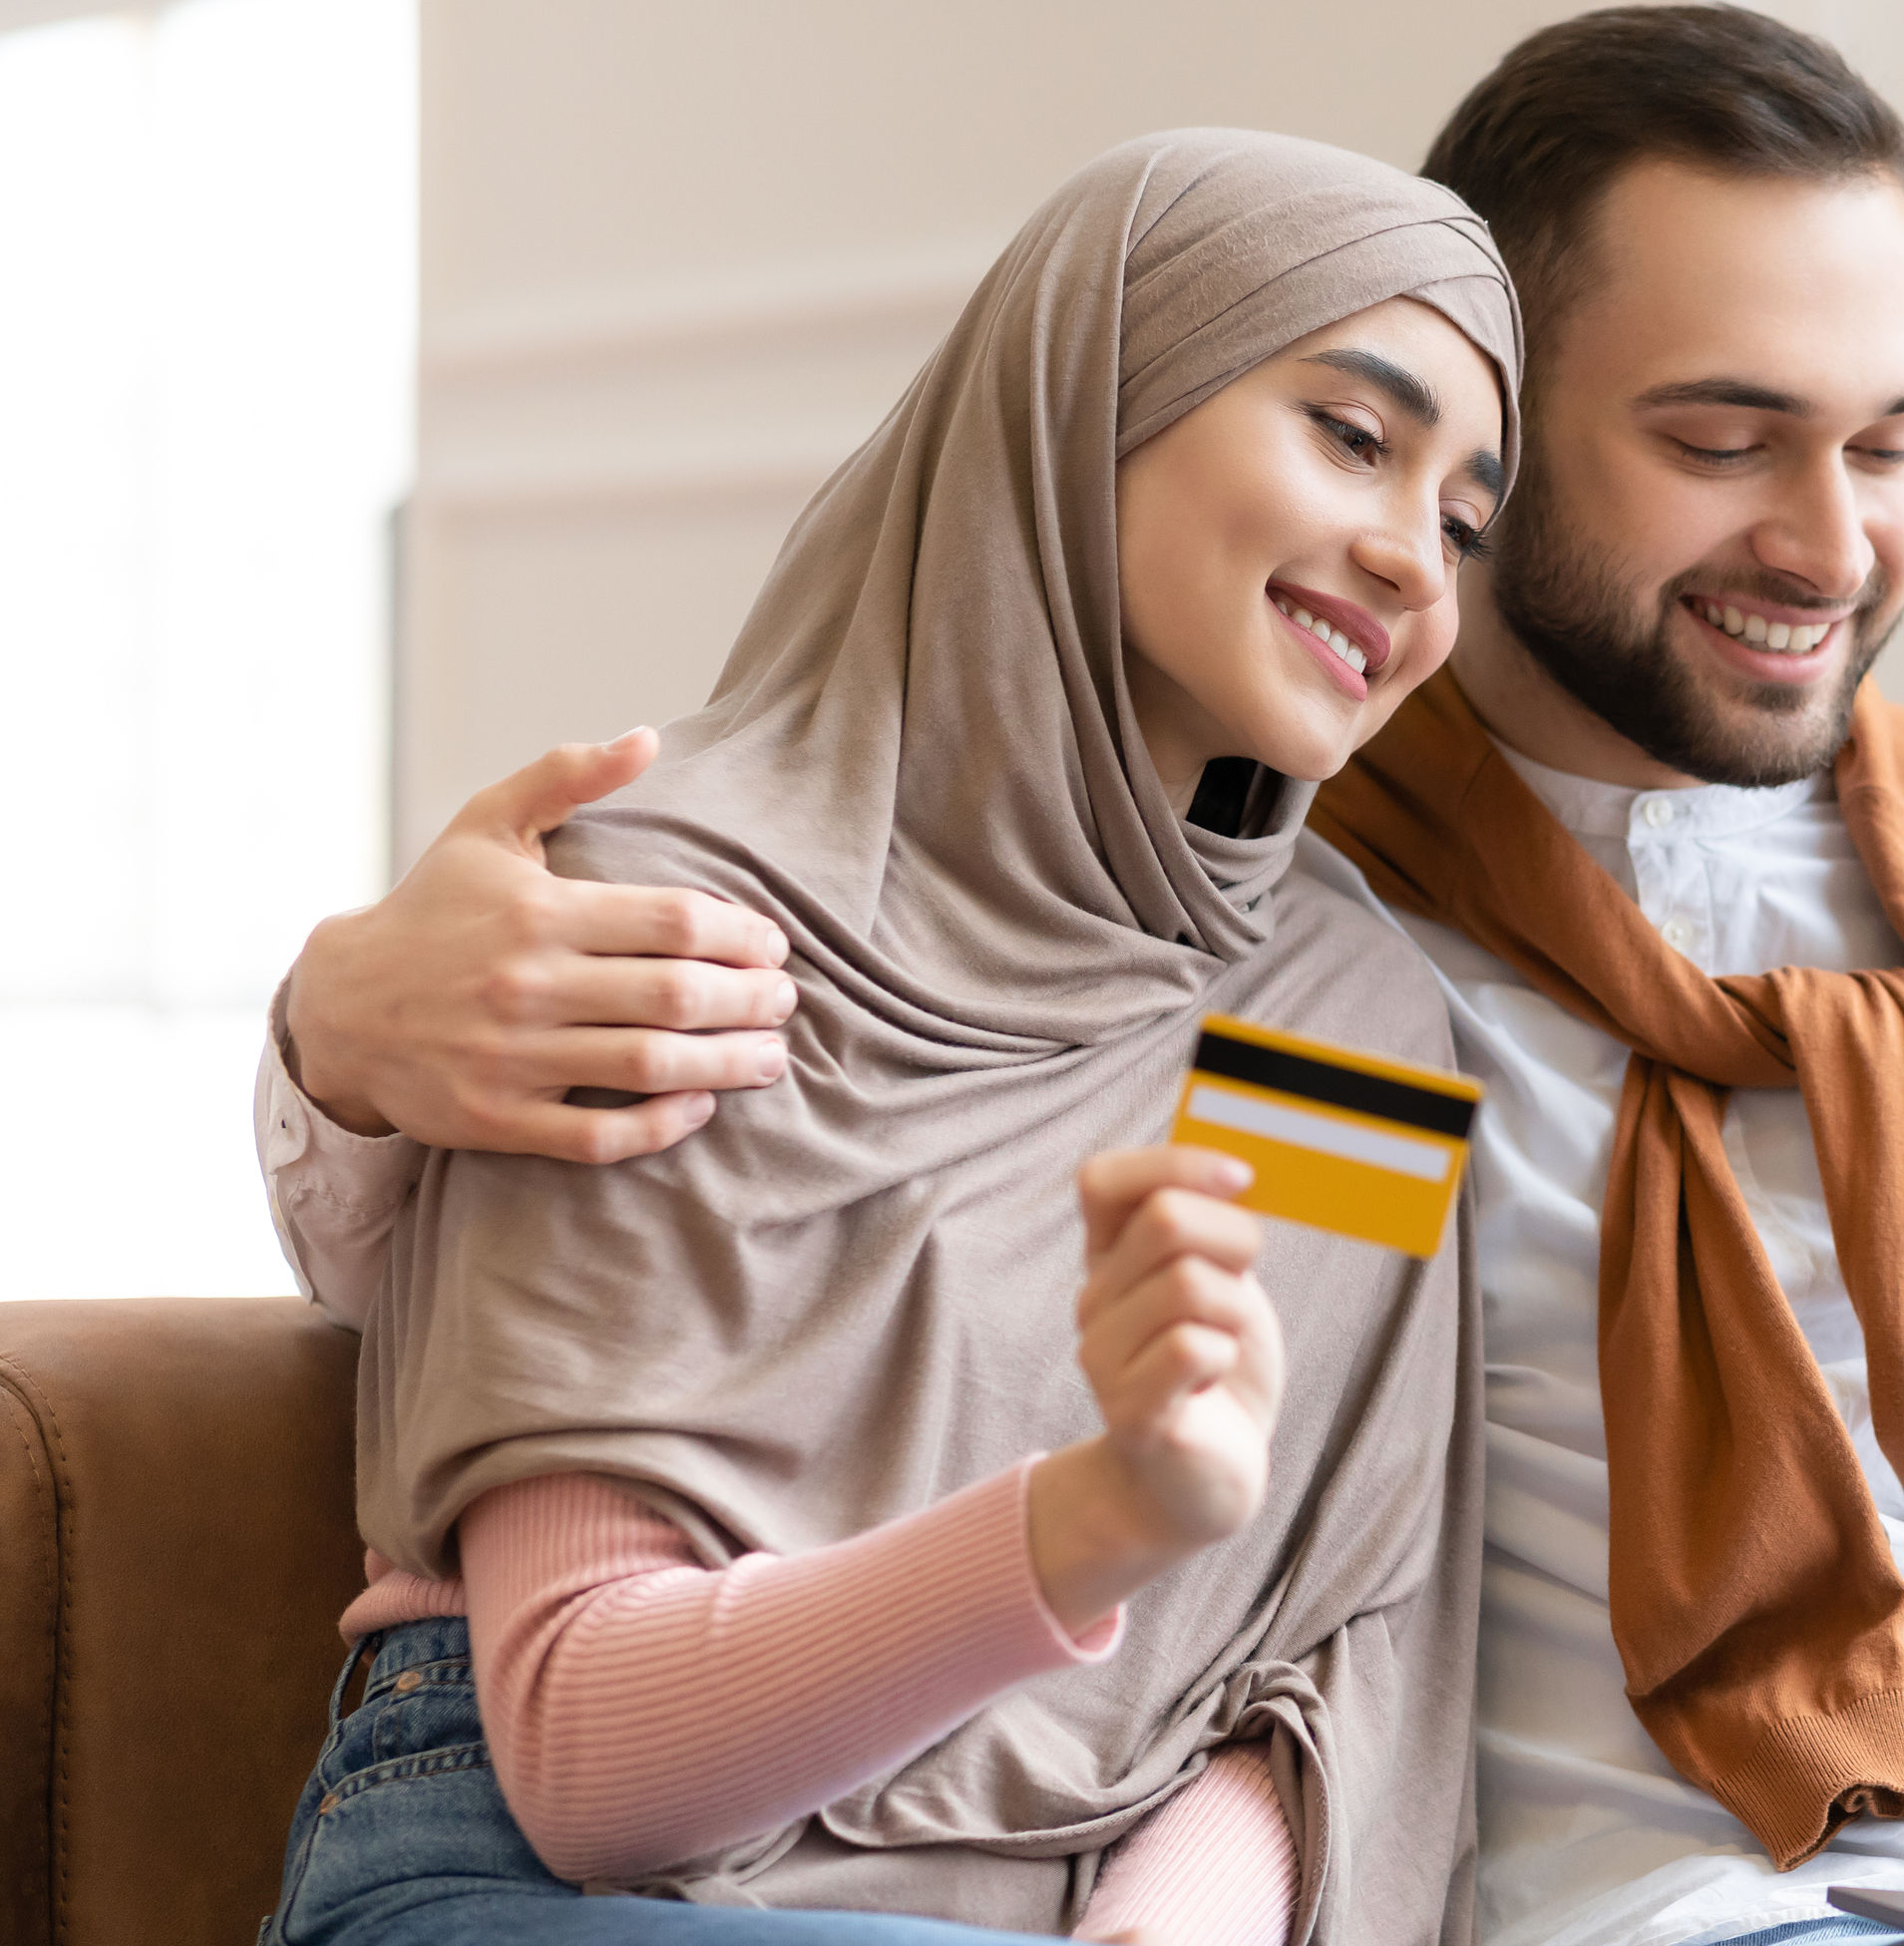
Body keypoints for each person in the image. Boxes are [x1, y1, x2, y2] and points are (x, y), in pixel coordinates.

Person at [260, 7, 1904, 1946]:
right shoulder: (1317, 946)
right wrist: (338, 1046)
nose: (1829, 541)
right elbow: (970, 1416)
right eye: (1720, 443)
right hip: (1694, 1908)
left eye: (1892, 446)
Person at [269, 131, 1518, 1946]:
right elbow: (592, 1760)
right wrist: (1095, 1519)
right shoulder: (674, 907)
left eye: (1468, 520)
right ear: (1092, 398)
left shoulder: (1351, 1031)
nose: (1414, 560)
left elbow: (1324, 1670)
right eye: (1350, 433)